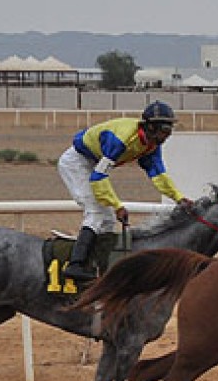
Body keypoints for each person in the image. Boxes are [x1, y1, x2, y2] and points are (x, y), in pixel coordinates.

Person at [57, 100, 193, 281]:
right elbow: (98, 177)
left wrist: (179, 198)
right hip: (76, 163)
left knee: (108, 219)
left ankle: (97, 264)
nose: (167, 136)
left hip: (94, 163)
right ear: (151, 127)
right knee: (97, 213)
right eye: (164, 130)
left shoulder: (151, 146)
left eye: (169, 131)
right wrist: (117, 205)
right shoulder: (122, 139)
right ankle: (75, 264)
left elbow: (159, 176)